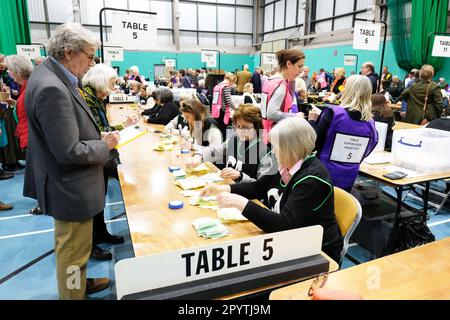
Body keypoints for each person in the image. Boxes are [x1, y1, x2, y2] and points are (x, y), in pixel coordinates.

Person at [23, 23, 117, 299]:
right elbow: (68, 151)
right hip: (70, 188)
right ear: (67, 52)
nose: (91, 63)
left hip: (67, 185)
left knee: (76, 250)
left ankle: (80, 284)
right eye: (88, 56)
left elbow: (66, 130)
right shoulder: (52, 87)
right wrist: (103, 144)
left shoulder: (51, 74)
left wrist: (93, 134)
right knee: (73, 255)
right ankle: (73, 294)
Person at [200, 117, 343, 264]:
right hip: (294, 240)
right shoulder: (288, 163)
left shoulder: (312, 179)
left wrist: (242, 204)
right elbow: (259, 187)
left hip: (319, 252)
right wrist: (224, 188)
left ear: (291, 148)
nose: (273, 151)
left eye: (276, 146)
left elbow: (283, 225)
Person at [81, 63, 136, 260]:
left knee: (99, 198)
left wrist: (124, 126)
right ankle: (91, 243)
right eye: (111, 84)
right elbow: (96, 132)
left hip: (100, 156)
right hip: (94, 156)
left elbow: (103, 128)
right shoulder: (86, 99)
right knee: (93, 201)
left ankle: (101, 233)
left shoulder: (95, 98)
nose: (113, 89)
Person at [308, 75, 378, 192]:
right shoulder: (370, 123)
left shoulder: (334, 113)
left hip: (324, 174)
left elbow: (313, 143)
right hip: (349, 176)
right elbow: (369, 148)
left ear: (348, 90)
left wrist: (312, 121)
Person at [191, 104, 275, 182]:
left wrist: (240, 176)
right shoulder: (234, 139)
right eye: (238, 126)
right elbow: (215, 151)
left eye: (246, 127)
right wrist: (199, 155)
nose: (241, 131)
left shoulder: (263, 151)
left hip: (245, 196)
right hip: (228, 188)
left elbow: (263, 185)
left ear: (256, 127)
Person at [260, 48, 305, 143]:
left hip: (267, 132)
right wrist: (295, 116)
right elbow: (272, 114)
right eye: (299, 66)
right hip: (275, 135)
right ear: (288, 64)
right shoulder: (280, 85)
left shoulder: (271, 80)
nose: (301, 70)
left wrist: (292, 81)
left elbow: (288, 101)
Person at [211, 72, 237, 137]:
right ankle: (224, 144)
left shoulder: (217, 86)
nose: (232, 84)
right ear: (231, 79)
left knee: (218, 128)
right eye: (233, 82)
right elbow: (228, 101)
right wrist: (236, 109)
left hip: (216, 110)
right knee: (223, 129)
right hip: (223, 111)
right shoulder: (226, 86)